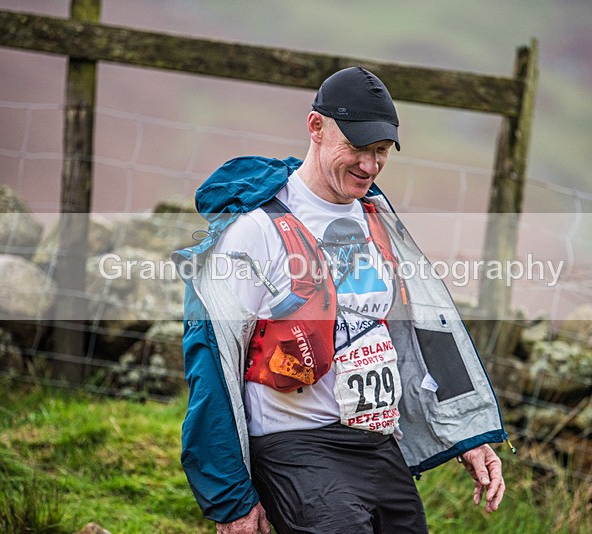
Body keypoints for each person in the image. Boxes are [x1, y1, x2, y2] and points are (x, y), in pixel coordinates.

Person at [173, 67, 508, 534]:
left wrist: (466, 435)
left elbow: (423, 338)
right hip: (295, 447)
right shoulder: (254, 232)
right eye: (357, 148)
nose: (370, 166)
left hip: (377, 445)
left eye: (381, 151)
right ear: (315, 127)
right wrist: (230, 500)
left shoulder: (379, 221)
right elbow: (211, 362)